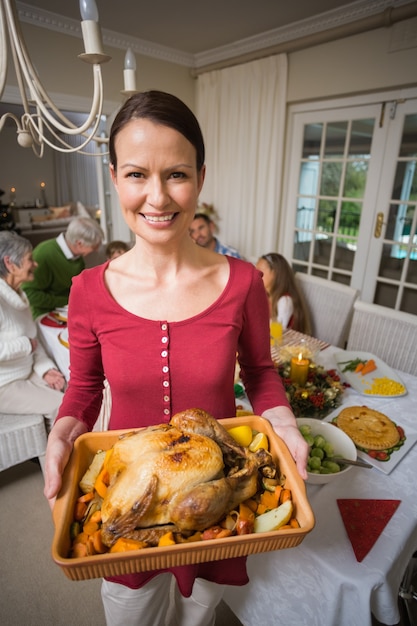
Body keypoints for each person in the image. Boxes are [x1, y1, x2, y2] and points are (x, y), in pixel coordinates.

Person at [44, 90, 308, 626]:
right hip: (124, 500)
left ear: (201, 179)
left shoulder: (241, 283)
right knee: (131, 615)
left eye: (177, 174)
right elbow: (84, 388)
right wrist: (65, 431)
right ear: (115, 178)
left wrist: (284, 425)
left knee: (200, 615)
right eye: (138, 174)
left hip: (219, 501)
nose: (158, 197)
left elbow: (259, 372)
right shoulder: (88, 289)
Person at [0, 232, 65, 432]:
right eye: (30, 259)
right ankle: (58, 462)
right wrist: (26, 345)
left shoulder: (19, 294)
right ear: (10, 263)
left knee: (70, 388)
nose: (35, 264)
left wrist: (45, 369)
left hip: (25, 372)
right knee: (63, 408)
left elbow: (33, 337)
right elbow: (29, 343)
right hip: (5, 384)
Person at [22, 216, 104, 319]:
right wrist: (68, 301)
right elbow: (29, 294)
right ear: (79, 244)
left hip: (70, 310)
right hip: (45, 315)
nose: (96, 250)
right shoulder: (43, 254)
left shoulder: (77, 256)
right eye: (94, 246)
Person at [256, 252, 311, 333]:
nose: (256, 273)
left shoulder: (285, 301)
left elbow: (278, 332)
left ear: (275, 273)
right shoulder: (265, 295)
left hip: (287, 342)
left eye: (260, 269)